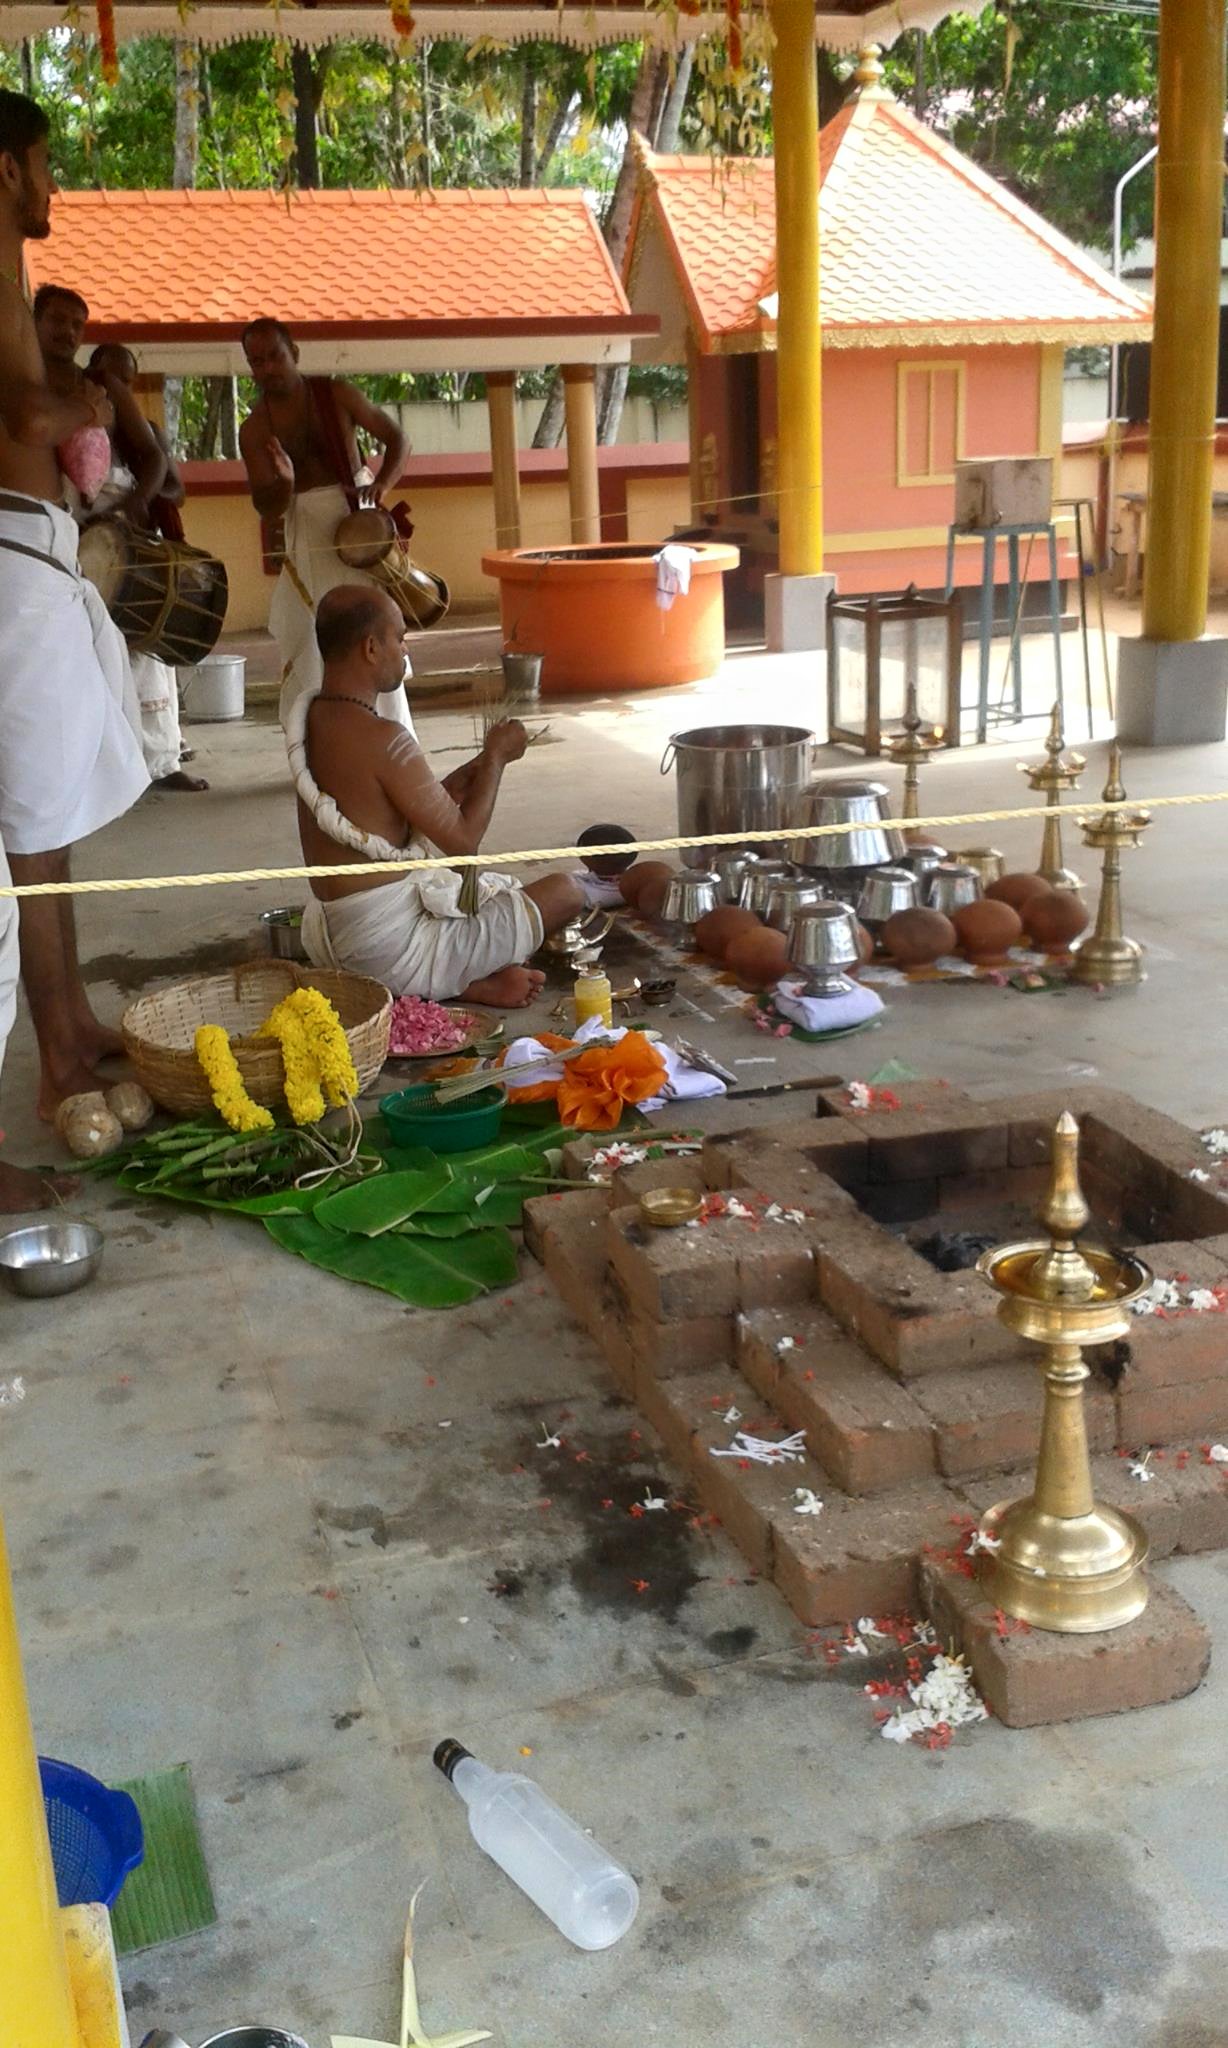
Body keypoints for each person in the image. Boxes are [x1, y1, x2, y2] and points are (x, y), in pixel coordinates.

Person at [0, 90, 148, 1118]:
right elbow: (22, 412)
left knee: (44, 829)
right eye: (46, 162)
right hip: (12, 562)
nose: (55, 185)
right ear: (8, 167)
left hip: (28, 556)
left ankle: (68, 1025)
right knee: (31, 828)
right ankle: (58, 1060)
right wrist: (84, 400)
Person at [295, 586, 583, 1006]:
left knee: (464, 890)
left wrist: (476, 769)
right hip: (387, 953)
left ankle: (456, 978)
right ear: (371, 648)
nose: (404, 651)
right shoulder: (384, 739)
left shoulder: (311, 719)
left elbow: (384, 815)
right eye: (399, 638)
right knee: (566, 892)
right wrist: (499, 759)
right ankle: (459, 983)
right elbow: (464, 844)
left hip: (325, 936)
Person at [237, 317, 413, 736]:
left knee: (373, 629)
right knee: (313, 637)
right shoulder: (255, 429)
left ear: (294, 353)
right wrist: (285, 483)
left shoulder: (337, 393)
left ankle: (392, 738)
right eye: (256, 362)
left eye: (275, 357)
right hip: (308, 535)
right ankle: (324, 745)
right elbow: (267, 505)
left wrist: (380, 488)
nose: (268, 369)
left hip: (359, 524)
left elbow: (398, 440)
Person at [87, 341, 208, 793]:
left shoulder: (148, 433)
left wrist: (137, 501)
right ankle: (109, 766)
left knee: (149, 658)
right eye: (109, 375)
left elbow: (175, 490)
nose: (117, 385)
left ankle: (161, 762)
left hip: (138, 553)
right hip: (89, 551)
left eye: (126, 379)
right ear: (93, 372)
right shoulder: (79, 420)